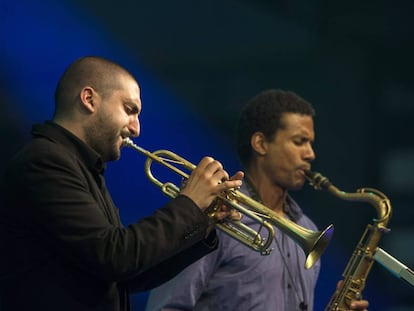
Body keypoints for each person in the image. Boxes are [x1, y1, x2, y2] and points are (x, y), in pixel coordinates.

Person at [0, 56, 244, 311]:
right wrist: (190, 204)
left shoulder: (81, 166)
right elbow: (115, 257)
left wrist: (204, 221)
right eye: (129, 110)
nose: (136, 128)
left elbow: (127, 276)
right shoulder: (44, 161)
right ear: (89, 99)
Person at [145, 89, 369, 311]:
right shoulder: (215, 215)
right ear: (261, 143)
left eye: (310, 143)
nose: (310, 154)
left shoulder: (308, 229)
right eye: (300, 141)